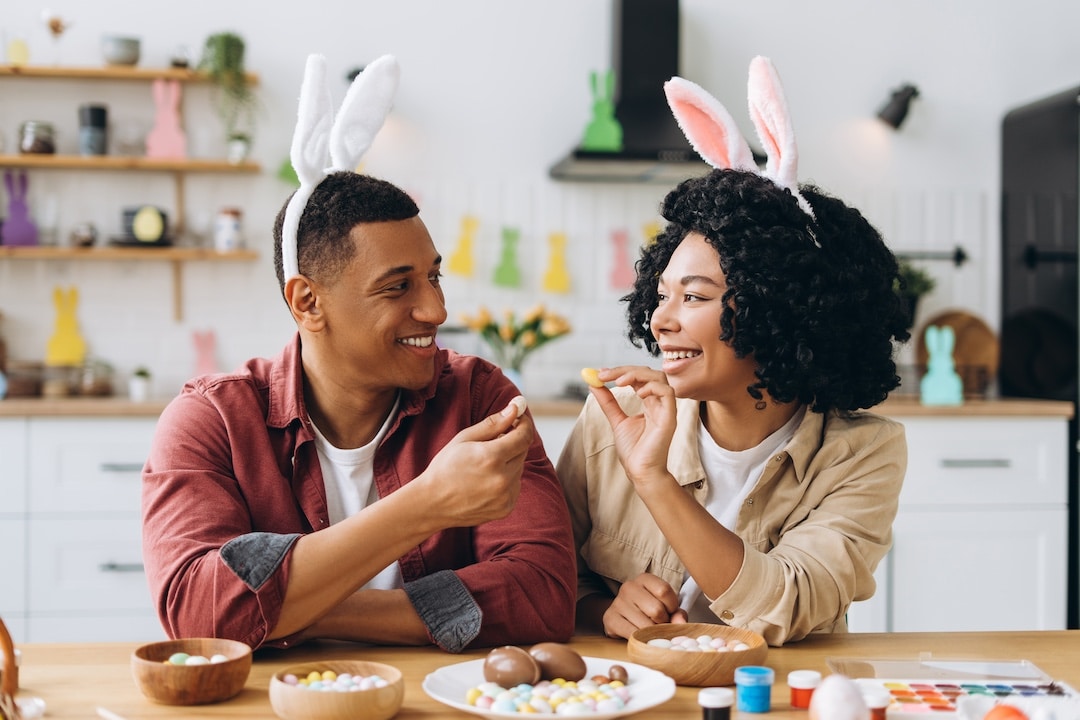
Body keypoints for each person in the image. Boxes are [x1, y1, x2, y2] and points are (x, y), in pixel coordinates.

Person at [141, 55, 575, 652]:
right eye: (398, 287)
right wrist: (426, 505)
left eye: (434, 277)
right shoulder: (211, 422)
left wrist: (297, 611)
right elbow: (199, 616)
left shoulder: (479, 400)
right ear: (308, 302)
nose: (436, 310)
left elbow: (543, 596)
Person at [557, 56, 910, 646]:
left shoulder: (862, 454)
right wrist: (601, 610)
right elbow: (547, 573)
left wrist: (654, 480)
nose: (660, 320)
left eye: (694, 296)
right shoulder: (613, 417)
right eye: (661, 295)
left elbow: (790, 604)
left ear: (780, 308)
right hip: (637, 686)